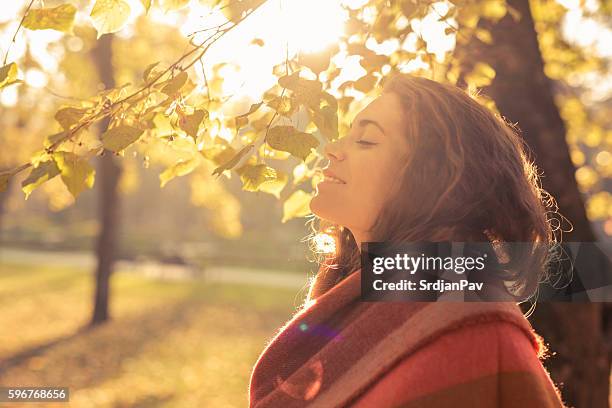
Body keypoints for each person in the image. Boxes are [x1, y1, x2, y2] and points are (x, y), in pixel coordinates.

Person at [248, 73, 567, 407]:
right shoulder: (351, 306)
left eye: (367, 140)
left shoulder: (475, 336)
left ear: (430, 177)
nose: (331, 150)